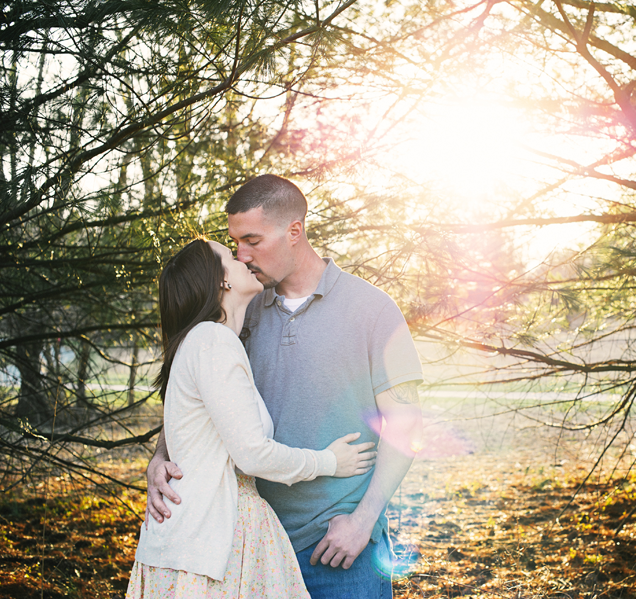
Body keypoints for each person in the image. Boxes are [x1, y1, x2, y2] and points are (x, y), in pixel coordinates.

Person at [146, 175, 424, 599]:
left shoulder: (374, 309)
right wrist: (162, 456)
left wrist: (363, 522)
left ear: (295, 231)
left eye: (252, 240)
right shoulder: (237, 313)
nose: (243, 254)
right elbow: (200, 401)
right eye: (234, 243)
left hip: (338, 548)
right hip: (250, 550)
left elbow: (405, 424)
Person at [128, 238, 377, 598]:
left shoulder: (207, 341)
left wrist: (159, 456)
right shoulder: (212, 341)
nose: (243, 256)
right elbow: (252, 454)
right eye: (231, 254)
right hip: (205, 544)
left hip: (199, 538)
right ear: (221, 281)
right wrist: (329, 462)